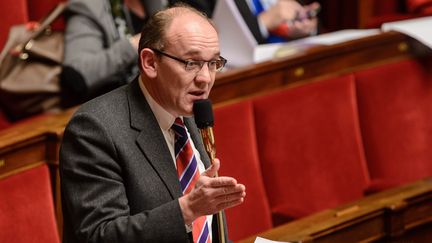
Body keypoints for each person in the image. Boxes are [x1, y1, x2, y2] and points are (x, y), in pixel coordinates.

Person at [60, 4, 246, 243]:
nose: (205, 79)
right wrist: (187, 210)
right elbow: (99, 236)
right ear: (150, 62)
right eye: (191, 63)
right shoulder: (94, 128)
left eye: (213, 63)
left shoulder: (188, 112)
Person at [61, 0, 167, 105]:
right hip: (117, 107)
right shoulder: (89, 6)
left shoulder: (164, 4)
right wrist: (135, 44)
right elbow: (77, 74)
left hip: (163, 100)